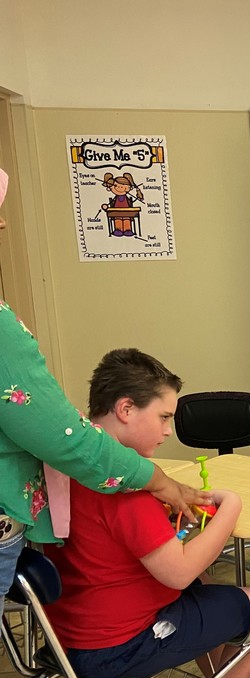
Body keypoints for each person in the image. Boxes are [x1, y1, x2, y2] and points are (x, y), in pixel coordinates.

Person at [42, 348, 250, 678]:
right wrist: (230, 509)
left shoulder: (67, 464)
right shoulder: (125, 485)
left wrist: (183, 527)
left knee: (200, 586)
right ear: (126, 409)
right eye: (164, 417)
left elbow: (129, 550)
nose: (169, 431)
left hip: (63, 637)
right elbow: (177, 571)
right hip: (112, 650)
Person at [0, 166, 207, 616]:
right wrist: (162, 483)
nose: (3, 224)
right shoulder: (122, 485)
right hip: (109, 637)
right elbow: (62, 439)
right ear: (126, 408)